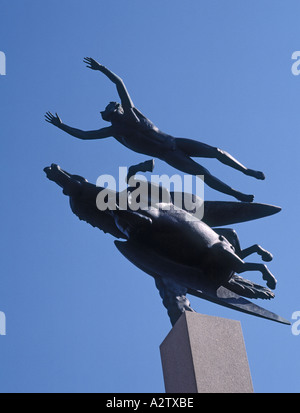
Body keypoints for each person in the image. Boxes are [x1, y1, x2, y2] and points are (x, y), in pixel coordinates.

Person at [45, 57, 265, 202]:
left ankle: (246, 171)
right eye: (110, 107)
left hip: (176, 141)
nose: (114, 106)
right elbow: (84, 136)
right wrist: (61, 126)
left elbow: (119, 84)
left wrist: (102, 69)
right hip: (168, 154)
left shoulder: (131, 112)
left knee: (216, 152)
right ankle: (236, 194)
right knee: (204, 174)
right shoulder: (116, 131)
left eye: (114, 105)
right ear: (110, 115)